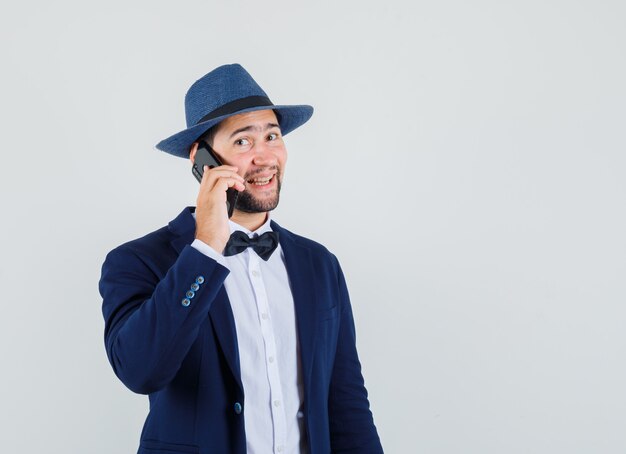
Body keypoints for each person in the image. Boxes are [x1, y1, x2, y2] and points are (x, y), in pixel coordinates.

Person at [99, 64, 383, 454]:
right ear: (202, 160)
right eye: (243, 142)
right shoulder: (139, 261)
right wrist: (206, 248)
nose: (265, 157)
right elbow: (140, 370)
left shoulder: (319, 265)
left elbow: (347, 401)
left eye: (272, 135)